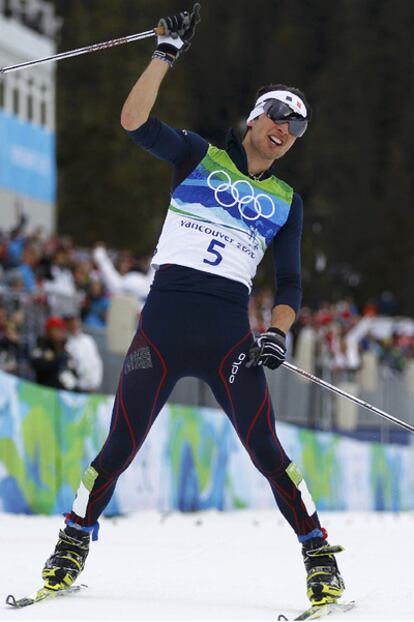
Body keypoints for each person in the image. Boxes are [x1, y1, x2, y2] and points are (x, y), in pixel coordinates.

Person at [41, 4, 345, 608]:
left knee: (268, 452)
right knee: (118, 449)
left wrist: (279, 333)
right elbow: (133, 121)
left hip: (230, 339)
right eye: (280, 115)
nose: (287, 129)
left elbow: (289, 285)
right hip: (163, 328)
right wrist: (164, 55)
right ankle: (72, 541)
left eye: (298, 127)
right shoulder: (196, 155)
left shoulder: (286, 201)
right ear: (257, 117)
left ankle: (317, 553)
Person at [64, 313, 103, 392]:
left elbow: (96, 362)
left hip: (93, 387)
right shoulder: (66, 344)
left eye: (75, 321)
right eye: (70, 323)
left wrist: (96, 382)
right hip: (77, 389)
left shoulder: (88, 340)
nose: (74, 325)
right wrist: (77, 386)